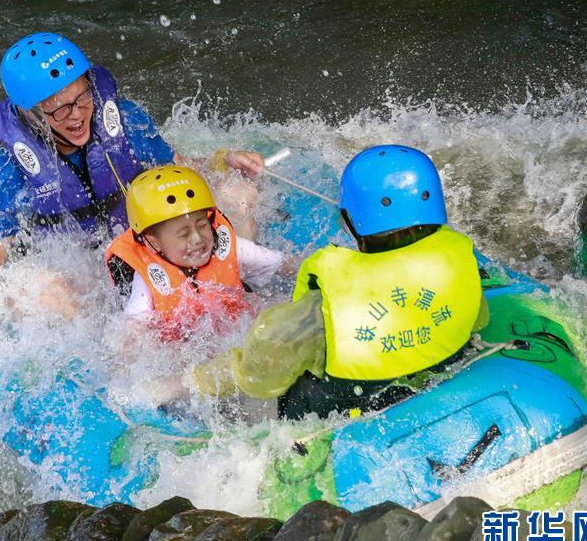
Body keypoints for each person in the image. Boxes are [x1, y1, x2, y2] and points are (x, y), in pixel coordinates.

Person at [192, 144, 490, 419]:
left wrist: (190, 380)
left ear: (350, 223)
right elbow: (477, 321)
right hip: (437, 374)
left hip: (345, 408)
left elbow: (257, 376)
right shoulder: (459, 259)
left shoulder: (323, 308)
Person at [0, 32, 265, 278]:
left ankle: (239, 282)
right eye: (61, 109)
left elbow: (180, 167)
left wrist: (223, 161)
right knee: (41, 289)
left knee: (239, 193)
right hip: (74, 269)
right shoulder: (6, 173)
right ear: (33, 115)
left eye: (82, 98)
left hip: (137, 241)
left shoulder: (124, 122)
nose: (78, 116)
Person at [104, 165, 293, 340]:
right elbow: (133, 331)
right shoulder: (148, 278)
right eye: (183, 234)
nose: (197, 238)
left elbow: (283, 265)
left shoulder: (229, 247)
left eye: (202, 225)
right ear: (154, 242)